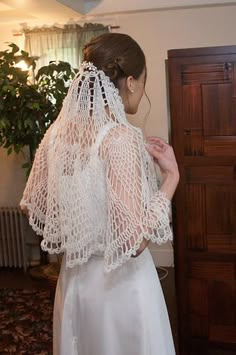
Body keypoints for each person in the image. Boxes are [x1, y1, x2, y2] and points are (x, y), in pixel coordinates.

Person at [20, 33, 179, 355]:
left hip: (76, 280)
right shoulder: (120, 138)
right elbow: (133, 244)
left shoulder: (58, 135)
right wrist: (171, 177)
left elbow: (32, 205)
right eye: (144, 81)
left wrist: (84, 231)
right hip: (121, 289)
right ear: (131, 82)